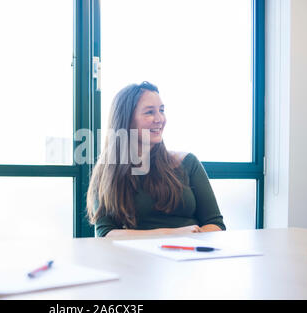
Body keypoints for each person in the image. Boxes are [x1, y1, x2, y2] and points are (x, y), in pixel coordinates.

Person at [86, 81, 226, 237]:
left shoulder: (188, 162)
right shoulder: (107, 171)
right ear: (127, 119)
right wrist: (174, 234)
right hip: (135, 258)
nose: (160, 119)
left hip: (191, 254)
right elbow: (105, 234)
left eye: (162, 110)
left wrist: (187, 238)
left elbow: (216, 225)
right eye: (149, 112)